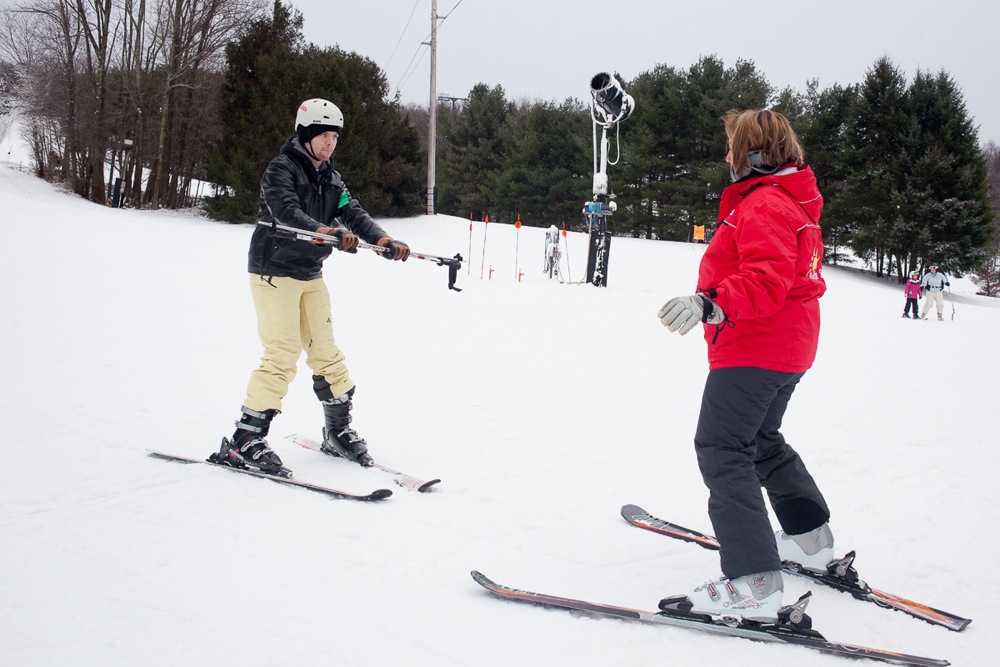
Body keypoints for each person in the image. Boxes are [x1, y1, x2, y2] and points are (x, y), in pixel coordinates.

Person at [657, 109, 834, 622]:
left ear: (756, 156)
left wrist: (708, 303)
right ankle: (810, 541)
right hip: (787, 347)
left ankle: (753, 582)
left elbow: (765, 278)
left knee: (722, 448)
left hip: (754, 347)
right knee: (760, 443)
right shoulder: (790, 202)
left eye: (734, 148)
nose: (726, 157)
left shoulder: (764, 205)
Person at [210, 98, 411, 477]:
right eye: (322, 136)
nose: (329, 143)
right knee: (282, 353)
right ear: (305, 134)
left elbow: (353, 213)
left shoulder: (331, 178)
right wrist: (325, 232)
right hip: (274, 270)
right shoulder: (281, 169)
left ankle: (337, 432)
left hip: (310, 273)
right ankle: (244, 440)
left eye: (334, 136)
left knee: (327, 354)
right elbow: (286, 211)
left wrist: (383, 240)